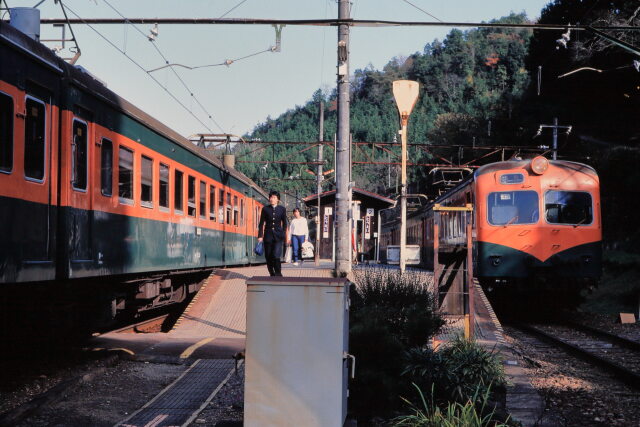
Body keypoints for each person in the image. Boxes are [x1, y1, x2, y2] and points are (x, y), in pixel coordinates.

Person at [258, 190, 288, 276]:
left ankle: (278, 273)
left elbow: (285, 223)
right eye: (271, 197)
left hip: (278, 236)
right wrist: (260, 236)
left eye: (274, 197)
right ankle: (271, 272)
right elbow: (261, 224)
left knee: (276, 255)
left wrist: (283, 233)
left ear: (278, 199)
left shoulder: (282, 209)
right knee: (268, 256)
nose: (272, 199)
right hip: (268, 236)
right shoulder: (265, 209)